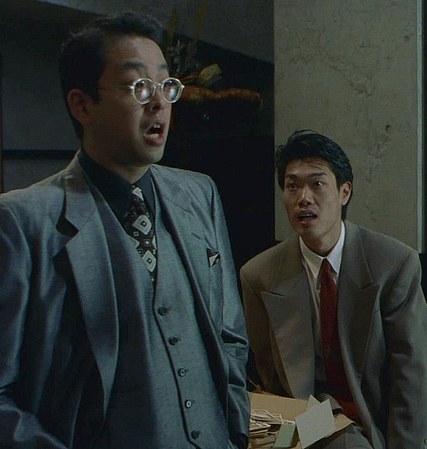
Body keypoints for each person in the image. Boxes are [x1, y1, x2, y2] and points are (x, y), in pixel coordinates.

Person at [0, 12, 249, 448]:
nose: (159, 103)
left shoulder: (199, 194)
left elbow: (231, 336)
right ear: (82, 105)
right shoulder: (23, 223)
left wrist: (234, 431)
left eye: (166, 85)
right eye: (139, 87)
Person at [240, 130, 427, 448]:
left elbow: (411, 376)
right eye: (292, 186)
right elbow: (273, 381)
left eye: (317, 184)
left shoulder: (393, 263)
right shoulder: (260, 276)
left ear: (344, 192)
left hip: (381, 416)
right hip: (311, 420)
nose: (304, 198)